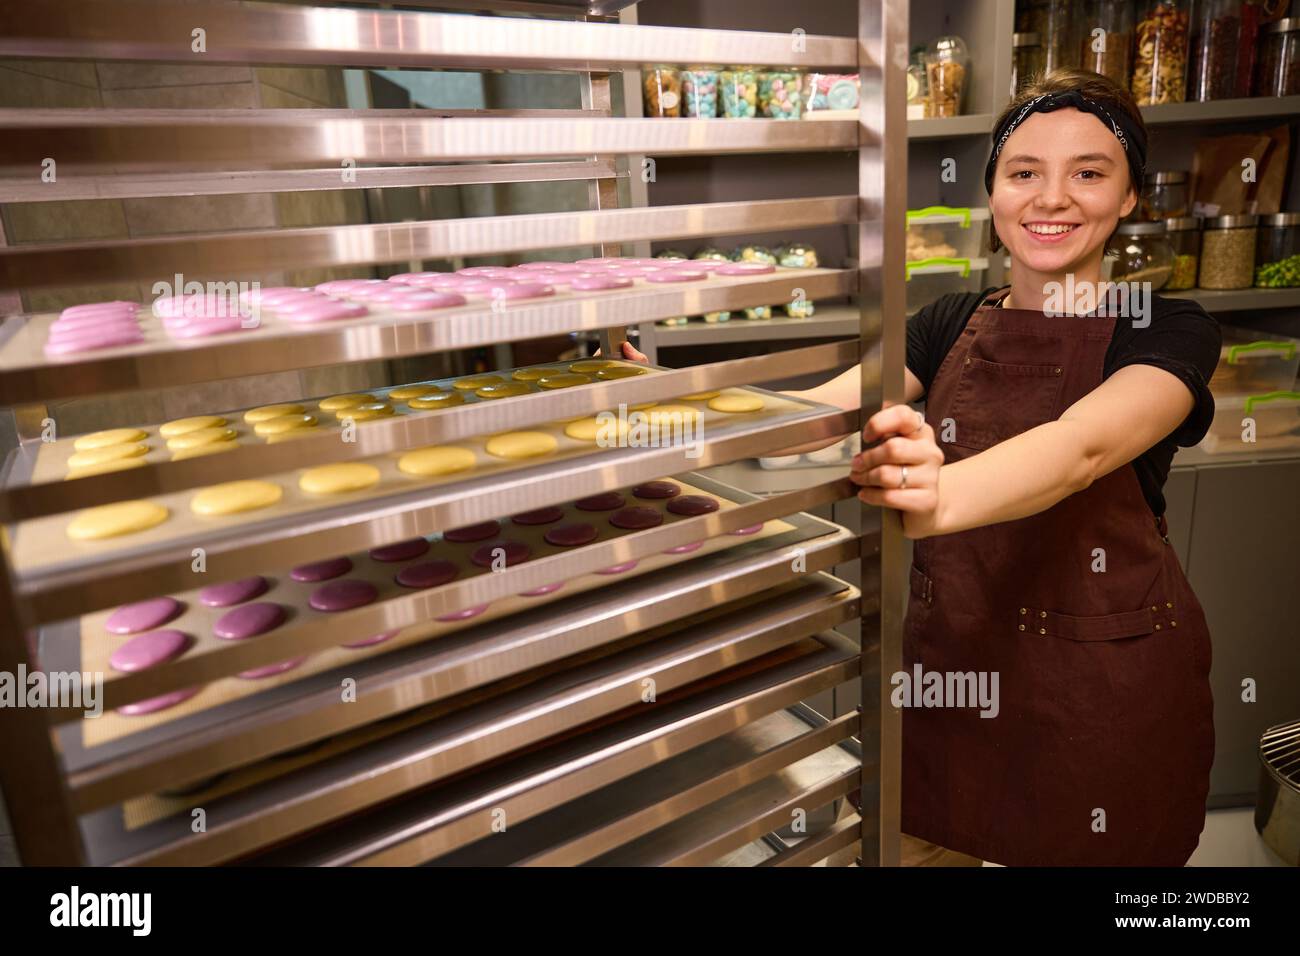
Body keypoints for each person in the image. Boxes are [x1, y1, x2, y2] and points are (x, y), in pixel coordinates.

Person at [606, 69, 1218, 866]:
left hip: (1100, 683)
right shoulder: (951, 319)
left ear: (1132, 195)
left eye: (1090, 173)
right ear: (994, 188)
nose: (1052, 198)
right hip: (954, 672)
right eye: (1024, 171)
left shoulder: (1169, 330)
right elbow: (813, 418)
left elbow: (1081, 450)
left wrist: (937, 494)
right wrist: (669, 407)